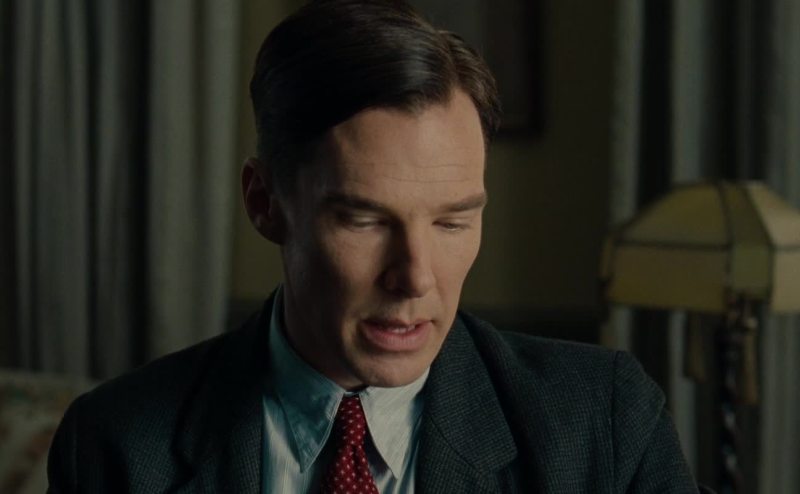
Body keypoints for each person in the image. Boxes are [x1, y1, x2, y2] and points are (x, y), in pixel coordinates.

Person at [47, 0, 700, 492]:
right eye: (365, 221)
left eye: (451, 223)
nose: (415, 277)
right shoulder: (116, 445)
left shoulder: (605, 425)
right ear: (264, 202)